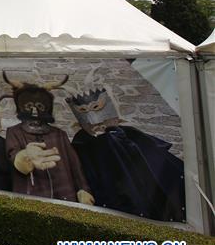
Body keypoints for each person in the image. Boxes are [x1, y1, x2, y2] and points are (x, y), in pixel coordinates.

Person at [67, 87, 185, 221]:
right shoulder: (82, 144)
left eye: (96, 108)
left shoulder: (127, 135)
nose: (94, 119)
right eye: (83, 111)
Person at [1, 72, 93, 205]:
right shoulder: (14, 132)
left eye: (39, 106)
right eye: (29, 106)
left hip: (66, 196)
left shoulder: (59, 134)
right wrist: (24, 157)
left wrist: (83, 189)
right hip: (31, 197)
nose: (34, 111)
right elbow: (12, 154)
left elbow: (75, 164)